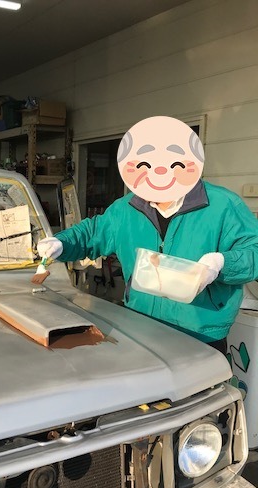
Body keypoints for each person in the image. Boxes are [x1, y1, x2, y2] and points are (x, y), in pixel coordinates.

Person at [38, 116, 258, 354]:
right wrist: (61, 242)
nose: (159, 172)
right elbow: (92, 232)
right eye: (145, 164)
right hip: (140, 325)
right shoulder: (125, 209)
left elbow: (253, 252)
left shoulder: (223, 205)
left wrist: (221, 264)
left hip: (201, 333)